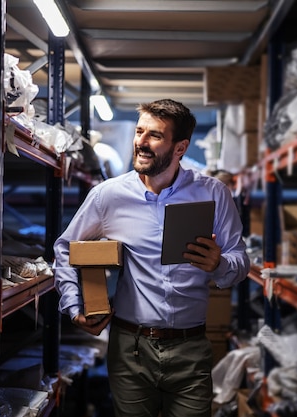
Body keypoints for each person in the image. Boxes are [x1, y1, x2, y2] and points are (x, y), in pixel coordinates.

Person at [53, 98, 250, 417]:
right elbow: (65, 247)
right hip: (131, 348)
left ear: (180, 148)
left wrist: (220, 264)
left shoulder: (213, 193)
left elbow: (240, 260)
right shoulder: (109, 196)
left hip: (191, 348)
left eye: (154, 135)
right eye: (139, 131)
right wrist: (74, 305)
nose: (140, 143)